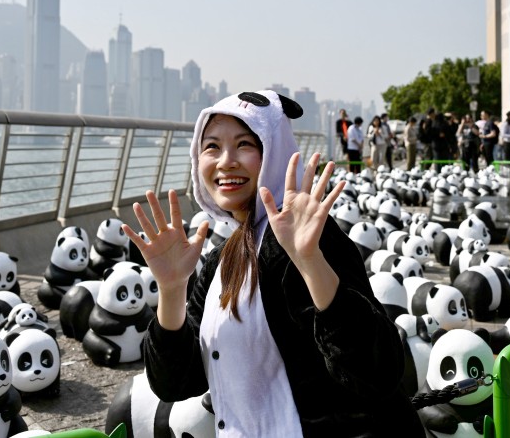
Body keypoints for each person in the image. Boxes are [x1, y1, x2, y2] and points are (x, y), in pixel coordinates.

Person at [126, 90, 423, 436]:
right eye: (212, 146)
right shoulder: (220, 261)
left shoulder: (308, 238)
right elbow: (177, 384)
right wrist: (172, 289)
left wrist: (310, 262)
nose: (226, 161)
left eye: (245, 144)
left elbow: (379, 372)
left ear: (275, 152)